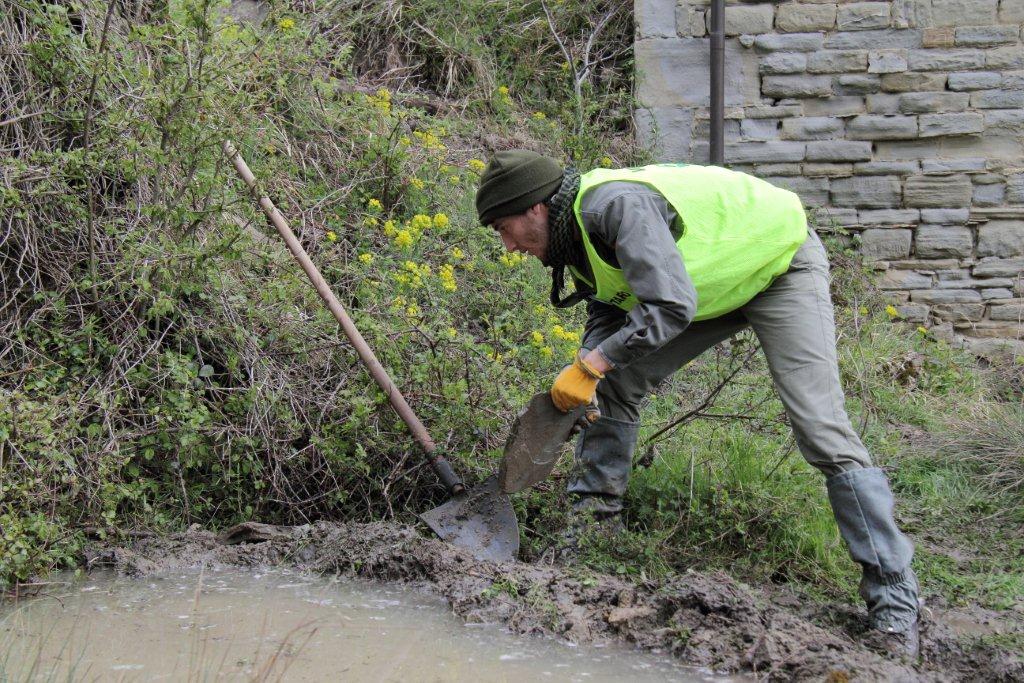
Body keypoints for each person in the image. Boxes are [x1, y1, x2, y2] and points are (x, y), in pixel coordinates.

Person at [474, 149, 921, 657]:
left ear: (534, 208)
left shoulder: (614, 208)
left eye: (503, 229)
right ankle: (591, 535)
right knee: (612, 383)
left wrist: (595, 363)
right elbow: (611, 300)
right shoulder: (568, 233)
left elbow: (668, 305)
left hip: (777, 266)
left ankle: (895, 601)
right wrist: (588, 363)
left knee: (821, 430)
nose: (507, 246)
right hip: (701, 291)